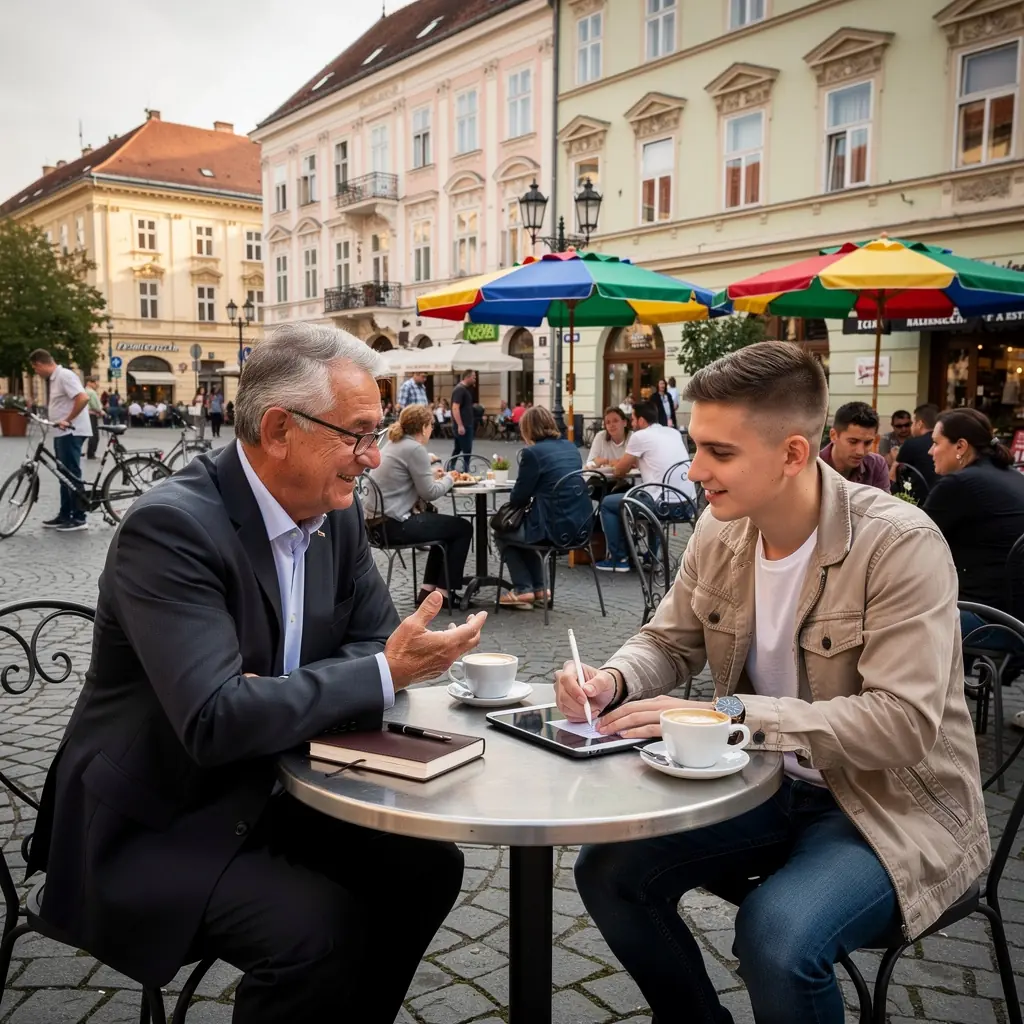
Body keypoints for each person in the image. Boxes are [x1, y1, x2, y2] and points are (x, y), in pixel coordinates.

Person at [28, 323, 487, 1023]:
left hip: (270, 791)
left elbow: (371, 639)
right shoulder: (171, 528)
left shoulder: (336, 515)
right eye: (358, 434)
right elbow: (216, 720)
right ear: (278, 430)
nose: (372, 456)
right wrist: (374, 673)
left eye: (378, 433)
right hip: (156, 819)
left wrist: (297, 688)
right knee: (316, 933)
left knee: (430, 868)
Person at [557, 341, 988, 1024]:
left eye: (719, 452)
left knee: (777, 934)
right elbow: (668, 640)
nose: (695, 470)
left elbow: (903, 725)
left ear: (792, 454)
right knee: (606, 869)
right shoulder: (719, 529)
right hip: (764, 784)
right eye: (695, 445)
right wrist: (612, 679)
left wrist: (729, 714)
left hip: (891, 808)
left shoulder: (899, 544)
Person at [924, 407, 1024, 633]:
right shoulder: (1013, 476)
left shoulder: (959, 484)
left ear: (960, 446)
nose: (930, 451)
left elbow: (911, 543)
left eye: (936, 443)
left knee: (888, 619)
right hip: (1014, 616)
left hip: (989, 619)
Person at [366, 404, 472, 609]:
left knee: (445, 529)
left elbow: (405, 480)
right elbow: (429, 493)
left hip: (376, 526)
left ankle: (428, 592)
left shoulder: (395, 443)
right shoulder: (414, 448)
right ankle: (444, 594)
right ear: (423, 427)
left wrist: (431, 475)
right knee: (462, 528)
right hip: (394, 525)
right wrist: (450, 478)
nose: (431, 429)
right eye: (431, 425)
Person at [492, 406, 592, 609]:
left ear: (527, 429)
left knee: (503, 532)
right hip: (580, 526)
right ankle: (540, 588)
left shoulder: (532, 454)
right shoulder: (571, 448)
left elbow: (518, 498)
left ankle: (523, 589)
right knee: (526, 529)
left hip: (552, 529)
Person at [597, 400, 695, 572]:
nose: (632, 423)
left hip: (661, 506)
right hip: (687, 505)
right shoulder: (673, 433)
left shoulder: (640, 436)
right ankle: (652, 558)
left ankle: (619, 559)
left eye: (633, 419)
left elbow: (619, 471)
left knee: (608, 504)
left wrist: (620, 463)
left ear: (641, 420)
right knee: (647, 496)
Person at [28, 349, 93, 531]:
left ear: (40, 364)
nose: (36, 372)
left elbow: (83, 398)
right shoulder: (54, 379)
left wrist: (68, 420)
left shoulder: (65, 375)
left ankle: (79, 518)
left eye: (35, 368)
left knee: (71, 474)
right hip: (61, 433)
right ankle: (65, 515)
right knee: (63, 475)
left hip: (72, 432)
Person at [819, 401, 890, 492]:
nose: (860, 452)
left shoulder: (877, 465)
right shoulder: (812, 466)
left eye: (868, 443)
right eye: (853, 442)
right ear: (833, 436)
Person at [894, 403, 940, 491]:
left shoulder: (911, 443)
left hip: (918, 495)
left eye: (912, 423)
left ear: (919, 424)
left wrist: (895, 457)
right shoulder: (945, 443)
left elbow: (893, 475)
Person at [451, 368, 477, 472]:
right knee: (467, 449)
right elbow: (455, 408)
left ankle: (451, 466)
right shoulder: (460, 389)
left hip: (465, 423)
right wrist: (460, 425)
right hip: (464, 425)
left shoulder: (465, 389)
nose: (475, 379)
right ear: (467, 377)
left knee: (458, 448)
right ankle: (466, 470)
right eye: (473, 377)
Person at [84, 376, 103, 459]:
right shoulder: (92, 392)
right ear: (89, 383)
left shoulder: (84, 391)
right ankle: (91, 453)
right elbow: (95, 405)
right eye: (95, 383)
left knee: (90, 434)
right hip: (92, 415)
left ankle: (90, 452)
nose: (97, 385)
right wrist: (101, 411)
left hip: (86, 414)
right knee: (94, 435)